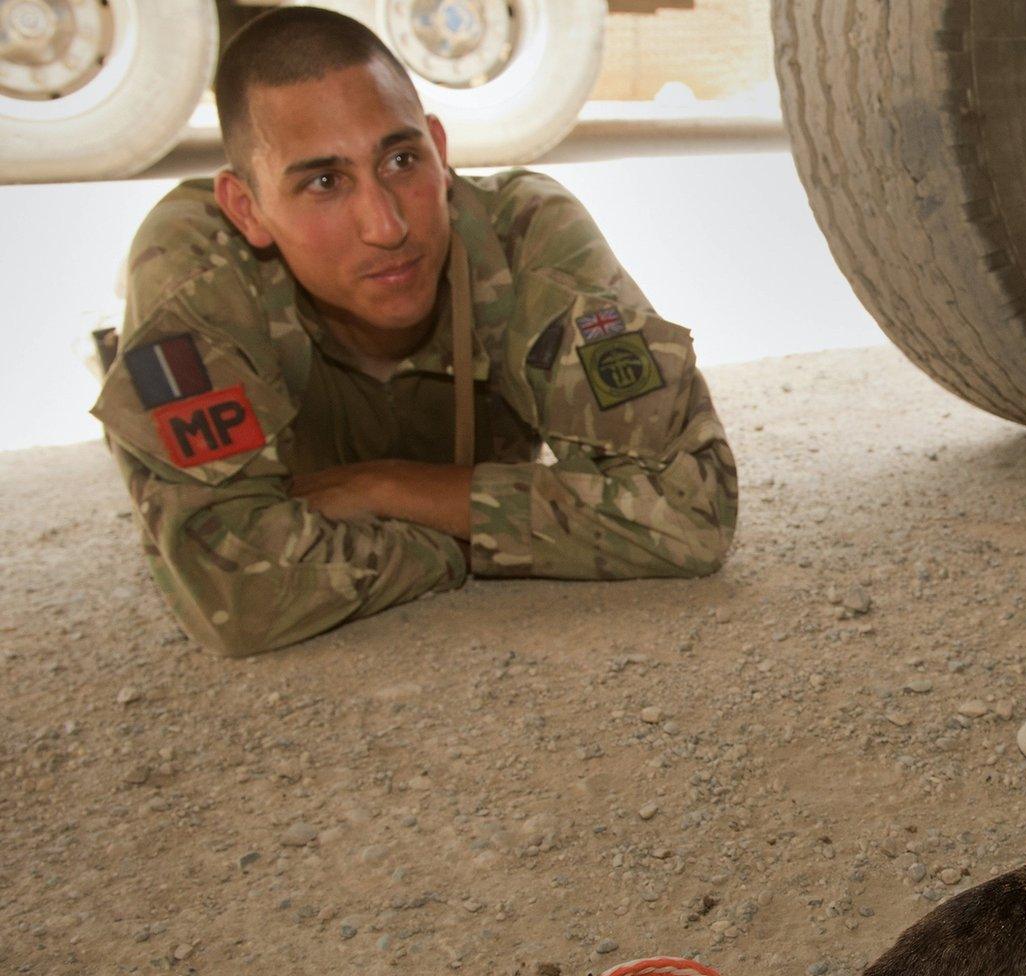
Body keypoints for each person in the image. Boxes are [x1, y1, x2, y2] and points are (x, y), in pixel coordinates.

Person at [90, 7, 737, 656]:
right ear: (247, 209)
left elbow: (691, 512)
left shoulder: (525, 235)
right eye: (324, 181)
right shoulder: (200, 266)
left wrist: (387, 488)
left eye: (401, 160)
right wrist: (471, 538)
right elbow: (236, 594)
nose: (387, 225)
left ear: (440, 149)